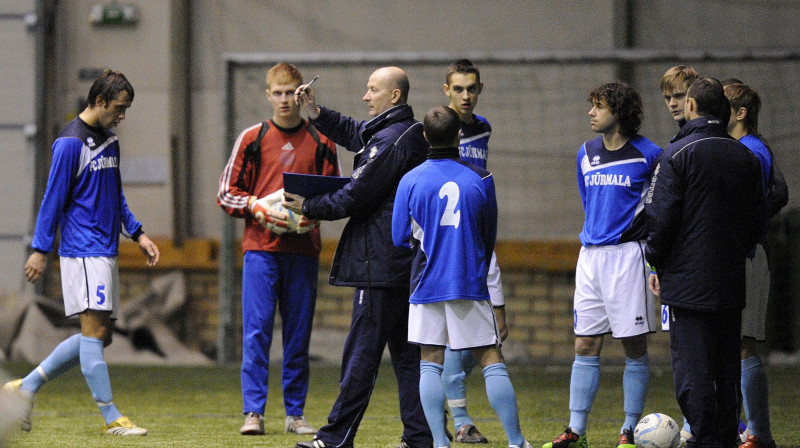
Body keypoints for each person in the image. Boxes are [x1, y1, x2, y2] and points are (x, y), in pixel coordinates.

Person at [1, 69, 160, 436]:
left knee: (100, 336)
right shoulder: (70, 143)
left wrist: (138, 233)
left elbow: (115, 195)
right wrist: (40, 250)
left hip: (106, 249)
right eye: (119, 108)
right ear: (100, 101)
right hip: (83, 251)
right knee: (93, 334)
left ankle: (24, 389)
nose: (122, 115)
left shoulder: (110, 141)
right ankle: (111, 417)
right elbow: (52, 199)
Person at [286, 66, 433, 448]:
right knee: (407, 358)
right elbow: (357, 134)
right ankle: (421, 437)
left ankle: (336, 438)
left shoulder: (393, 141)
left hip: (379, 264)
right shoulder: (398, 131)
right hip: (399, 262)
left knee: (361, 357)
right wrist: (317, 114)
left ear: (394, 96)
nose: (366, 97)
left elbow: (356, 194)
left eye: (372, 90)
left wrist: (310, 205)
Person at [392, 105, 531, 448]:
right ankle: (516, 442)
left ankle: (440, 443)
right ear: (459, 136)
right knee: (490, 357)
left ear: (425, 137)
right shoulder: (481, 179)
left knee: (430, 360)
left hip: (426, 283)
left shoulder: (410, 180)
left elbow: (398, 237)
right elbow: (488, 234)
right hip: (468, 281)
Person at [217, 62, 339, 436]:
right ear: (268, 95)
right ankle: (253, 412)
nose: (285, 100)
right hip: (261, 250)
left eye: (292, 93)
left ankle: (295, 414)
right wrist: (255, 206)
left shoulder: (322, 142)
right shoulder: (252, 138)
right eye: (279, 93)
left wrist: (314, 214)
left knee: (298, 335)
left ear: (302, 93)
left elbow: (337, 194)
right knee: (256, 332)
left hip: (303, 251)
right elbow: (225, 193)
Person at [645, 77, 766, 448]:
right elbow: (757, 218)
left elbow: (660, 217)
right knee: (726, 369)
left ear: (693, 107)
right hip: (730, 281)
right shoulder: (745, 155)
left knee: (693, 371)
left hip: (687, 284)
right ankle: (726, 436)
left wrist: (656, 263)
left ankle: (704, 438)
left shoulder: (678, 153)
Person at [543, 81, 662, 448]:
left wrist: (656, 263)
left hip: (629, 257)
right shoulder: (586, 152)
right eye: (592, 105)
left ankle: (628, 430)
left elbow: (658, 210)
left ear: (620, 112)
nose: (591, 113)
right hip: (591, 257)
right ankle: (575, 430)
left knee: (633, 346)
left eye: (599, 106)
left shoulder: (650, 154)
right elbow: (589, 199)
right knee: (584, 345)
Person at [441, 58, 507, 444]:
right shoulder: (434, 129)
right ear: (445, 90)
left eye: (472, 88)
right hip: (449, 245)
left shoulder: (482, 128)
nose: (466, 95)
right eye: (459, 88)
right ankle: (460, 420)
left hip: (479, 238)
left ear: (480, 89)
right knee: (456, 336)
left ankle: (453, 409)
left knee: (493, 331)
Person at [723, 81, 788, 448]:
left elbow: (770, 196)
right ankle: (738, 428)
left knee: (744, 343)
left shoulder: (753, 149)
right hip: (733, 255)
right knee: (730, 344)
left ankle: (760, 434)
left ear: (741, 113)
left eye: (724, 105)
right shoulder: (737, 147)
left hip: (748, 254)